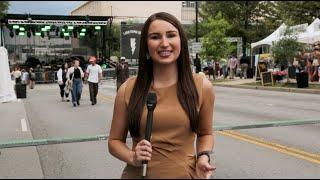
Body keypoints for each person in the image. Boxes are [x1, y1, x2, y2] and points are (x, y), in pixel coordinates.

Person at [108, 12, 215, 179]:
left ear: (181, 41)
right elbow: (114, 141)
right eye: (155, 37)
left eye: (171, 35)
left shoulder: (202, 87)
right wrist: (132, 157)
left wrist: (203, 157)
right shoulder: (127, 89)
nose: (164, 43)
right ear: (146, 45)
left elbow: (206, 133)